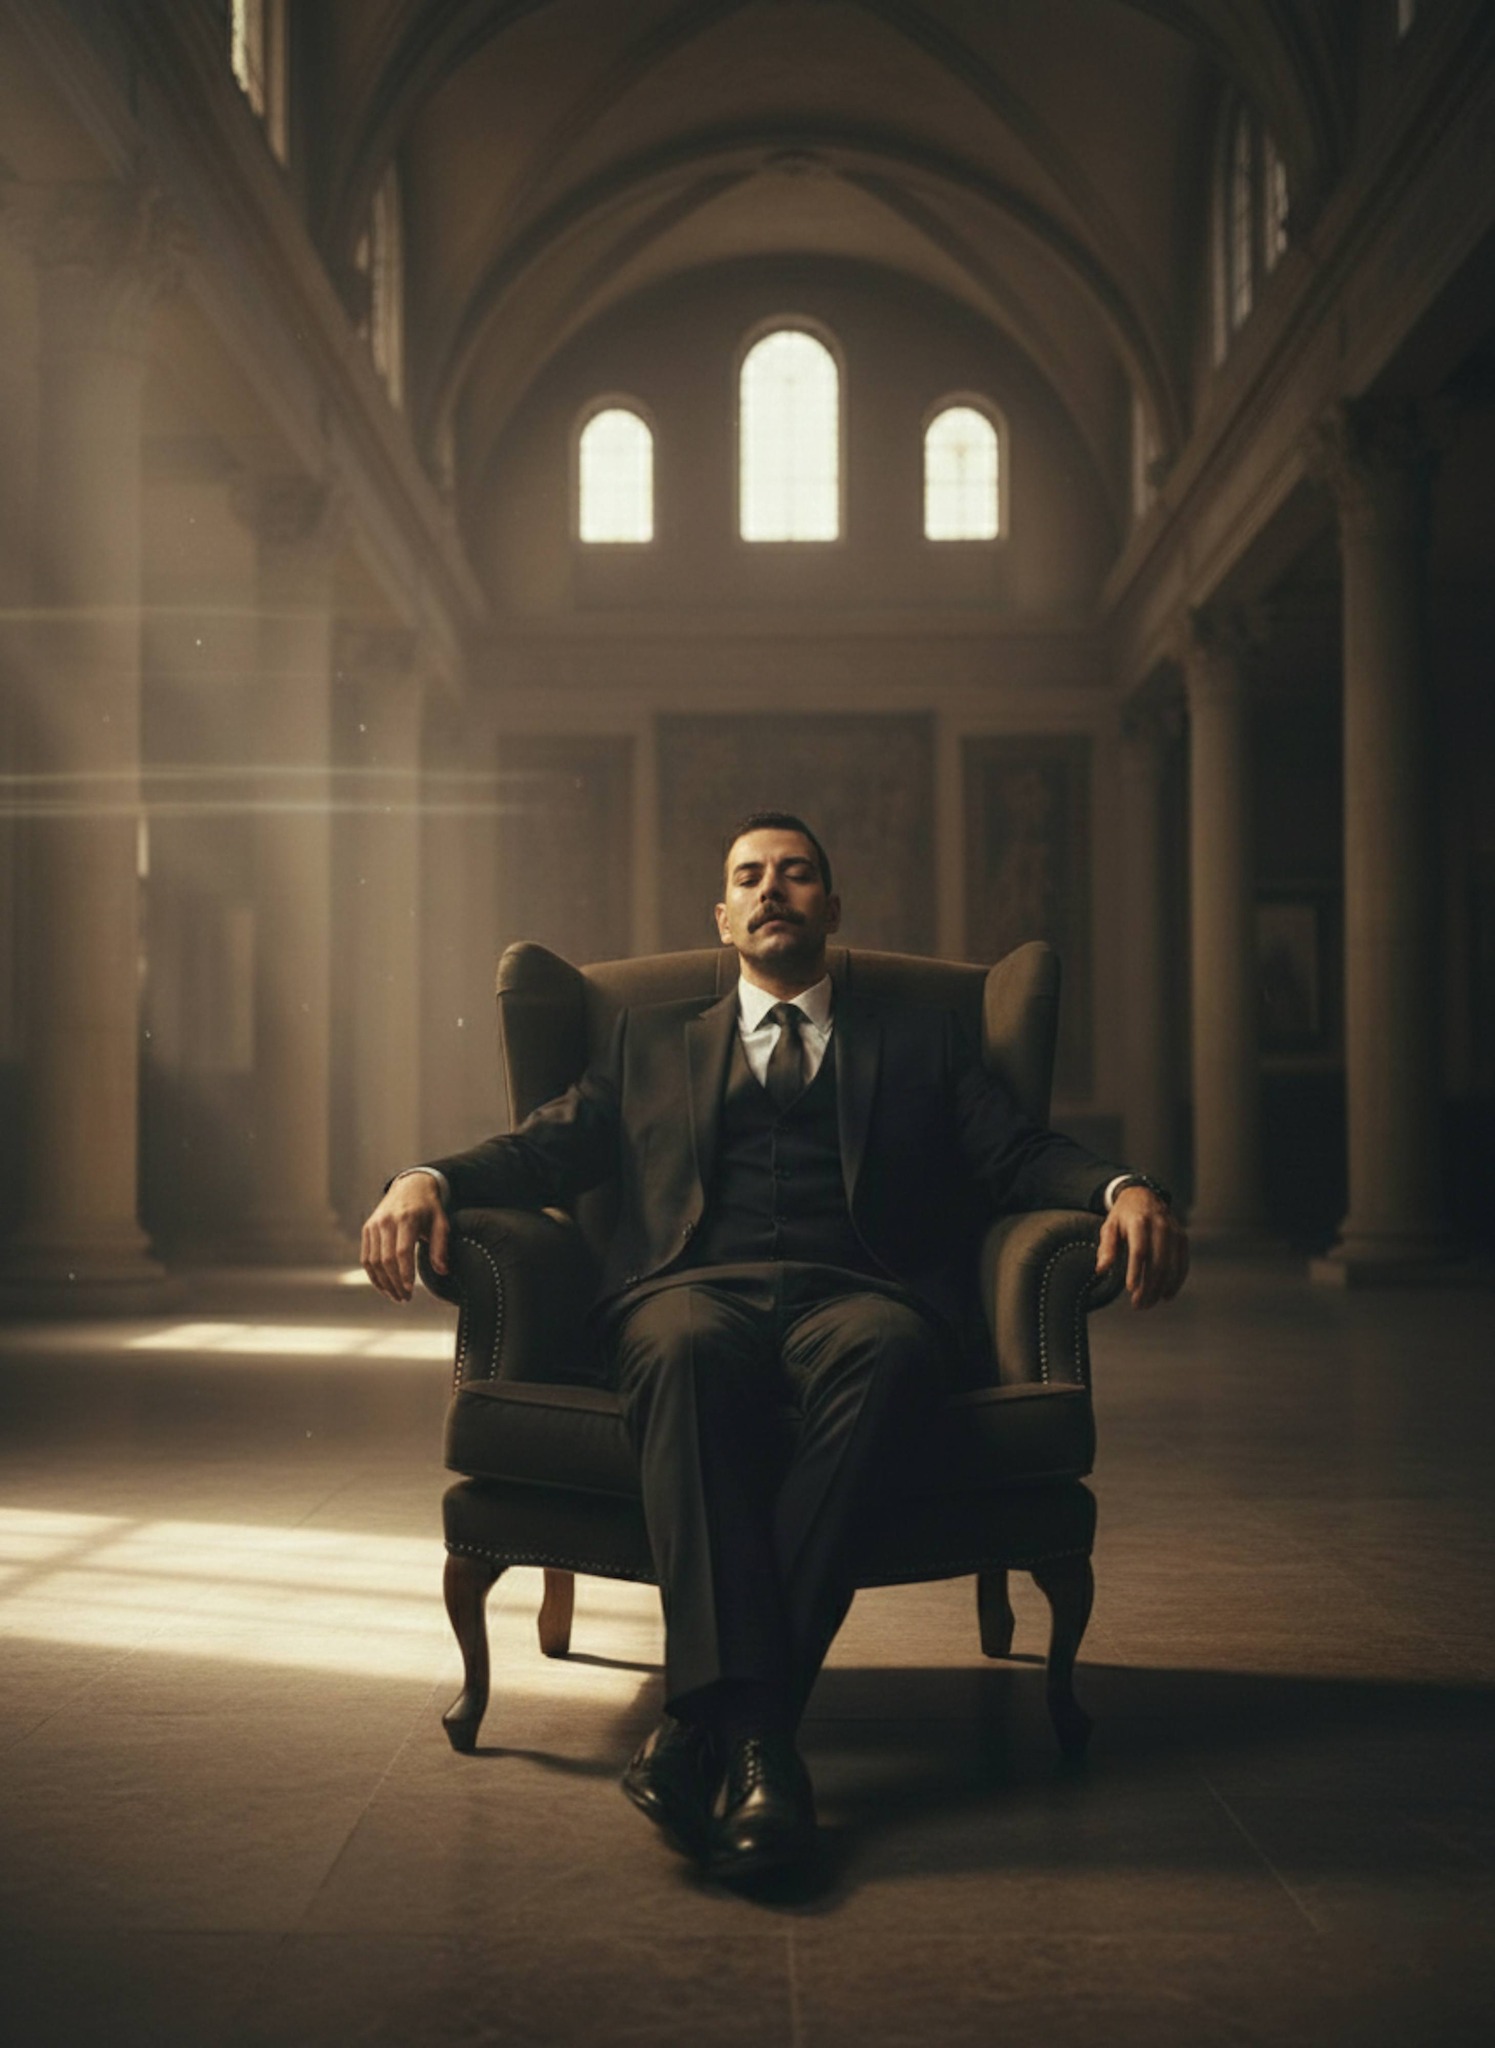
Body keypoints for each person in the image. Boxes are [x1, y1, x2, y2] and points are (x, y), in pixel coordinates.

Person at [362, 812, 1188, 1882]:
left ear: (831, 909)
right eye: (749, 876)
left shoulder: (922, 1041)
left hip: (863, 1296)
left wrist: (1120, 1187)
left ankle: (711, 1730)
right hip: (687, 1292)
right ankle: (761, 1748)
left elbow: (1016, 1150)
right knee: (681, 1349)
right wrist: (429, 1175)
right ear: (722, 914)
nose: (772, 890)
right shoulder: (648, 1040)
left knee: (890, 1355)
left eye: (795, 874)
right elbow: (544, 1145)